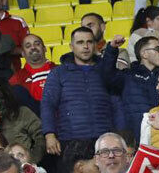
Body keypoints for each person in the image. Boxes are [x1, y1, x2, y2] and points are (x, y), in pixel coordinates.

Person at [41, 27, 117, 156]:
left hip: (103, 140)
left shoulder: (105, 71)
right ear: (71, 46)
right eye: (80, 42)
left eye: (89, 42)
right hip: (70, 141)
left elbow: (116, 104)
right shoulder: (58, 73)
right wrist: (49, 135)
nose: (86, 46)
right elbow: (48, 104)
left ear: (95, 45)